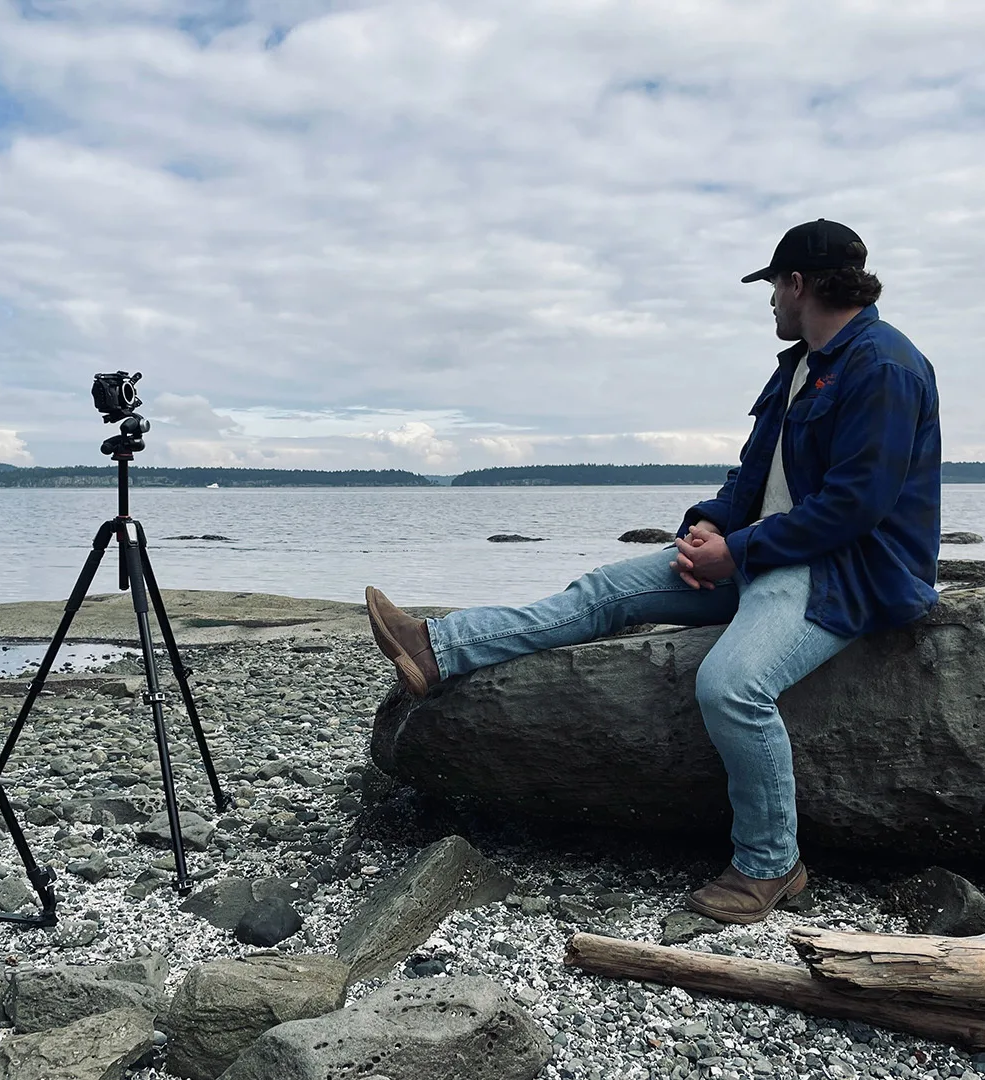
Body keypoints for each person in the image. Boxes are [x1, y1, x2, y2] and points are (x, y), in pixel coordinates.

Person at [365, 219, 941, 924]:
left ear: (798, 284)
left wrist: (738, 551)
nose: (769, 302)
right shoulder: (801, 365)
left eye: (772, 287)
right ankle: (438, 648)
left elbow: (856, 505)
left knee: (732, 686)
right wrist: (712, 526)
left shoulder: (884, 366)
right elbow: (755, 476)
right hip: (765, 554)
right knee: (607, 589)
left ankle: (770, 864)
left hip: (840, 572)